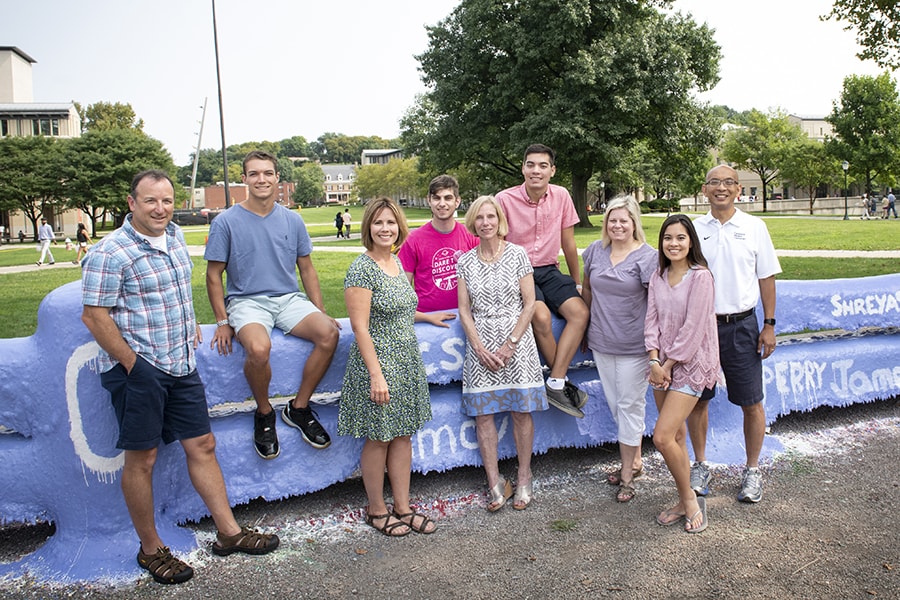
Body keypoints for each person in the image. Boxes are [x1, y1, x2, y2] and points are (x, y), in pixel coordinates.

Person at [81, 170, 278, 585]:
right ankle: (150, 549)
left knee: (203, 444)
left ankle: (229, 533)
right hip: (139, 370)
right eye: (151, 201)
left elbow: (176, 292)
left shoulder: (172, 237)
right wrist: (133, 364)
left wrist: (189, 325)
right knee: (143, 458)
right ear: (131, 203)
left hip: (181, 364)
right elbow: (94, 316)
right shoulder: (110, 252)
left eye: (167, 200)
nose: (160, 208)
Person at [205, 151, 339, 460]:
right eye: (254, 174)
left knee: (329, 334)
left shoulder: (292, 220)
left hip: (287, 299)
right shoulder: (226, 222)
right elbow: (214, 275)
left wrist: (318, 310)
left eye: (267, 173)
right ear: (244, 179)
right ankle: (264, 413)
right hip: (246, 301)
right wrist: (223, 321)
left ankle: (299, 407)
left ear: (277, 178)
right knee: (259, 349)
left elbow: (306, 268)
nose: (261, 179)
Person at [339, 197, 437, 537]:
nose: (385, 228)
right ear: (368, 226)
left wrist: (427, 315)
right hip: (378, 363)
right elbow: (360, 326)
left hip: (406, 361)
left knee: (403, 436)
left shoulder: (395, 262)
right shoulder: (361, 268)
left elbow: (400, 308)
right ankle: (376, 509)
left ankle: (403, 506)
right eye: (379, 222)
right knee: (379, 438)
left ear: (399, 227)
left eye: (391, 223)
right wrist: (376, 375)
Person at [691, 165, 781, 504]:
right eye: (714, 182)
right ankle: (700, 465)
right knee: (698, 400)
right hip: (702, 327)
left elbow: (767, 278)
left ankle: (753, 470)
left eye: (728, 182)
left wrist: (769, 324)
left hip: (743, 326)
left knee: (751, 401)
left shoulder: (755, 227)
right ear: (705, 189)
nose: (721, 188)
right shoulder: (694, 229)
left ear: (738, 189)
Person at [456, 196, 548, 512]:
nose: (485, 223)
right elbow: (464, 310)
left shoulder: (518, 255)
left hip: (516, 343)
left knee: (521, 411)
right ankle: (494, 481)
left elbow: (530, 302)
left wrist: (510, 344)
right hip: (480, 346)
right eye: (479, 217)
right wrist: (479, 347)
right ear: (473, 222)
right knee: (484, 415)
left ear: (500, 220)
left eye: (491, 217)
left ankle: (523, 476)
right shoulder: (465, 261)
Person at [496, 144, 590, 418]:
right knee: (540, 315)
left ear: (552, 170)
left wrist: (575, 282)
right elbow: (497, 244)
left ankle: (556, 381)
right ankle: (561, 383)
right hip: (516, 271)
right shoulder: (504, 199)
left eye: (542, 165)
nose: (536, 170)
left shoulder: (561, 196)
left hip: (549, 269)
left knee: (580, 312)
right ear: (523, 168)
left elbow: (569, 243)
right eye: (530, 165)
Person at [645, 214, 719, 534]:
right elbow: (651, 322)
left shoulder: (700, 277)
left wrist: (667, 365)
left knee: (661, 437)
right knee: (674, 437)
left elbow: (693, 329)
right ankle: (682, 498)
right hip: (660, 365)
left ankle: (690, 500)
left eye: (680, 238)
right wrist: (653, 360)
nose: (673, 244)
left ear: (691, 242)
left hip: (689, 365)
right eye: (667, 238)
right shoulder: (658, 276)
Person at [581, 195, 657, 503]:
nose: (617, 225)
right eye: (612, 219)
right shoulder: (595, 252)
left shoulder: (647, 257)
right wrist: (585, 327)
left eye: (624, 220)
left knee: (630, 405)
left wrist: (655, 346)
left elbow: (656, 302)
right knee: (616, 405)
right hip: (601, 341)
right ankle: (635, 459)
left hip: (634, 345)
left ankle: (627, 475)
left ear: (634, 223)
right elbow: (586, 289)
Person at [398, 174, 479, 326]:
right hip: (426, 321)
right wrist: (425, 318)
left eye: (448, 198)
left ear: (457, 201)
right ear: (429, 200)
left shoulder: (471, 237)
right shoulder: (413, 240)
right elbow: (401, 293)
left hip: (465, 319)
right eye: (436, 198)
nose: (442, 203)